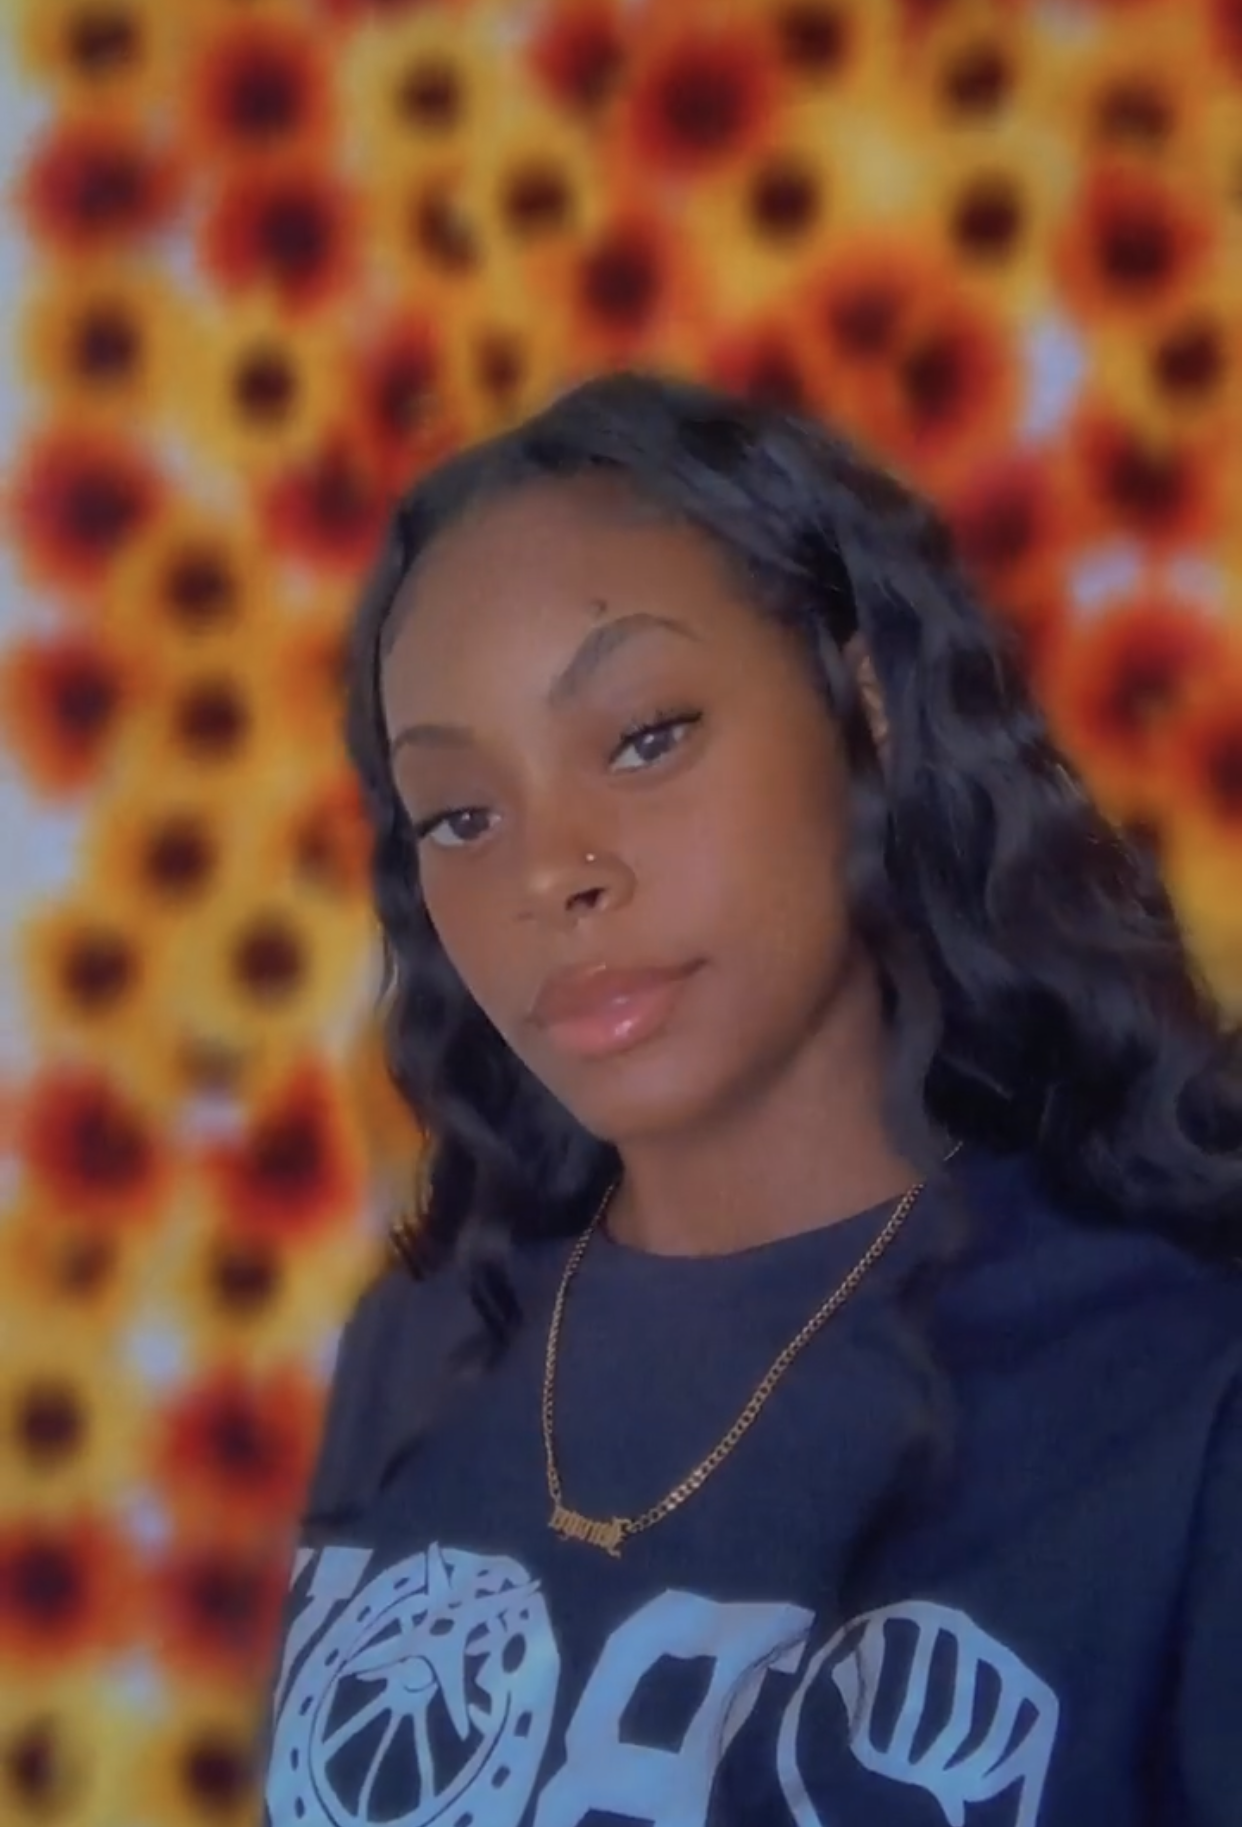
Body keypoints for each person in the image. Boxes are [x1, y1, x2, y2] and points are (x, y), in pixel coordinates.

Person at [262, 374, 1242, 1827]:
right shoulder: (422, 1347)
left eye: (646, 734)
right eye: (461, 813)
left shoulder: (1176, 1381)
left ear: (863, 705)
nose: (551, 872)